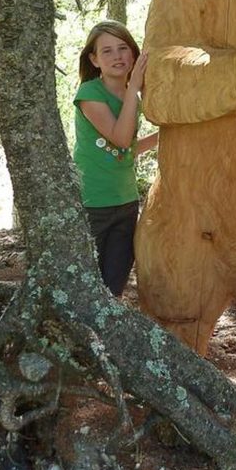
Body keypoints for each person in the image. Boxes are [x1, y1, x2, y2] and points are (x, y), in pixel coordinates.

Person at [73, 21, 158, 297]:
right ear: (94, 59)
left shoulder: (132, 97)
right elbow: (120, 138)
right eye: (107, 51)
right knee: (86, 286)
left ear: (133, 55)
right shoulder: (89, 94)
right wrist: (134, 89)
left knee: (114, 286)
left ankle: (107, 327)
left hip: (126, 202)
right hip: (92, 203)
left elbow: (127, 150)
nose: (117, 56)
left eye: (123, 48)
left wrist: (166, 135)